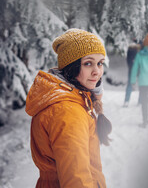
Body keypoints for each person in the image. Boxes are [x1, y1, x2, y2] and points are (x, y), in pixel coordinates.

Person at [26, 28, 112, 188]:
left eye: (100, 63)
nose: (97, 72)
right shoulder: (67, 110)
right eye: (88, 63)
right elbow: (76, 180)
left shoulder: (71, 100)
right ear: (71, 67)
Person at [130, 33, 148, 128]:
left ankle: (145, 121)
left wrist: (132, 81)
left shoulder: (139, 55)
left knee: (144, 101)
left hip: (143, 82)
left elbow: (134, 69)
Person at [123, 38, 141, 107]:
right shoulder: (140, 49)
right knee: (141, 85)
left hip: (132, 69)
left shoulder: (130, 49)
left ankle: (126, 101)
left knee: (129, 85)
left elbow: (128, 59)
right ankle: (140, 101)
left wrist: (130, 67)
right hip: (139, 69)